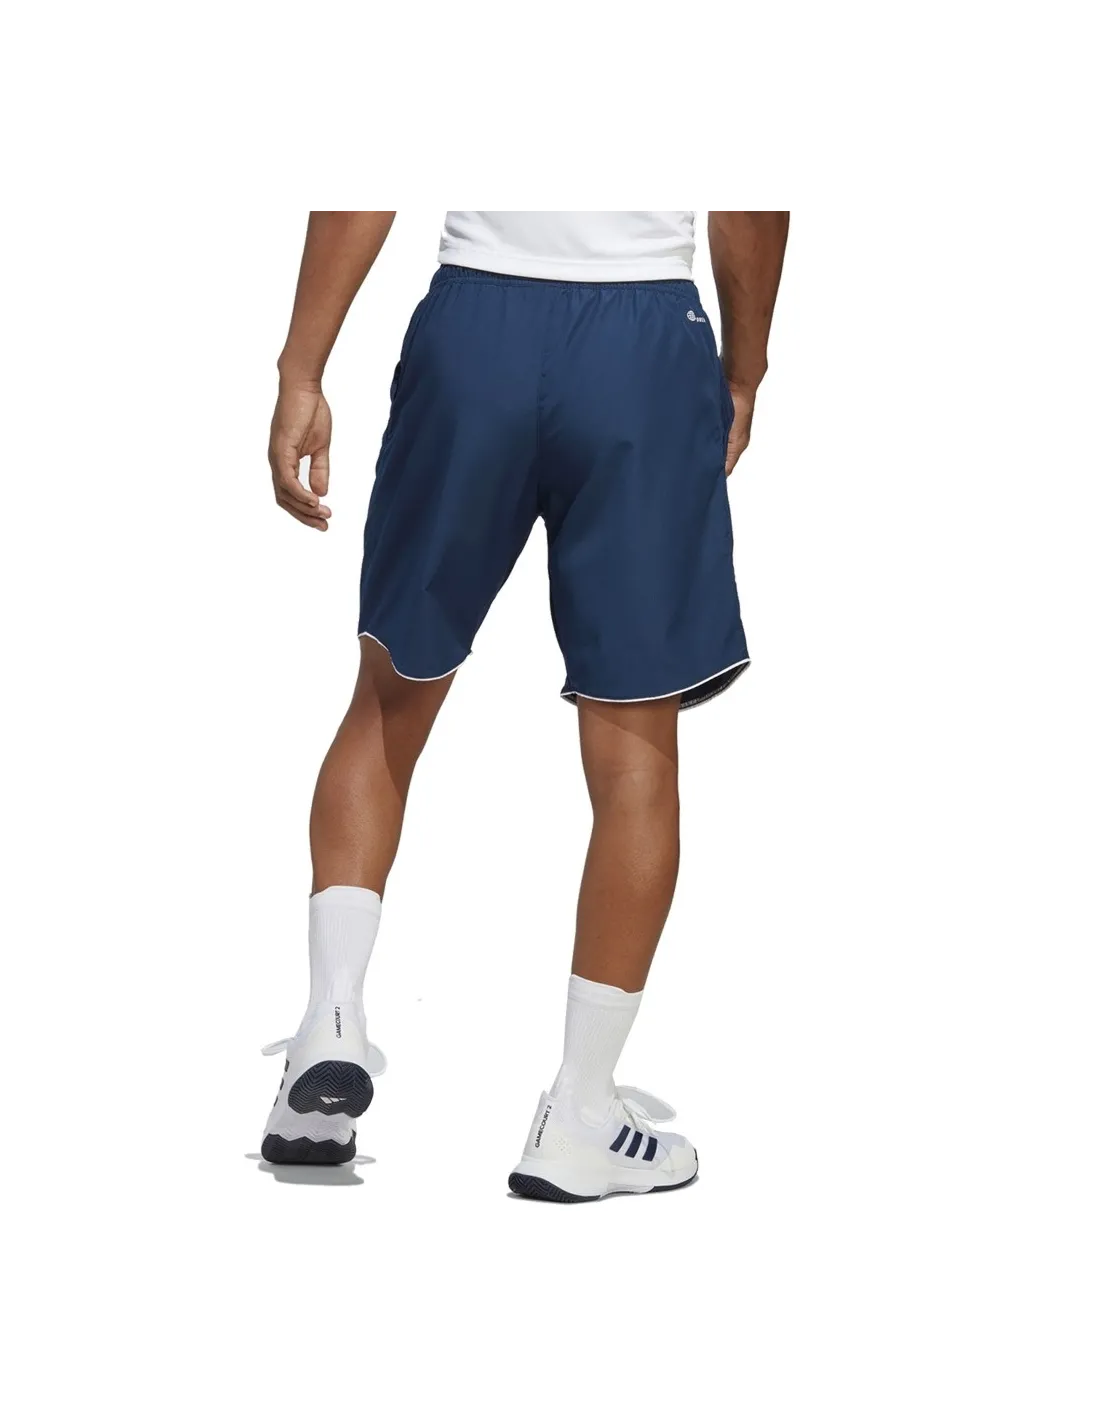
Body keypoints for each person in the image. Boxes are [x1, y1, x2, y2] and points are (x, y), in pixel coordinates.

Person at [263, 207, 788, 1199]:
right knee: (634, 748)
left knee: (390, 700)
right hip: (642, 342)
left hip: (474, 329)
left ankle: (328, 1022)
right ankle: (580, 1113)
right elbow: (751, 204)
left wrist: (302, 370)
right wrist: (744, 370)